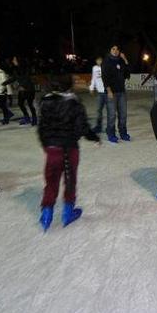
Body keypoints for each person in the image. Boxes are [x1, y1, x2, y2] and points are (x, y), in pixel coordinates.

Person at [38, 73, 100, 231]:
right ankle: (67, 212)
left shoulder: (45, 101)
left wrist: (48, 144)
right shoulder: (74, 103)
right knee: (70, 180)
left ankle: (46, 213)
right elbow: (83, 127)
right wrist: (94, 138)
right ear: (69, 85)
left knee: (51, 181)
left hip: (52, 149)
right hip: (68, 149)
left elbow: (41, 129)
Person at [101, 44, 131, 143]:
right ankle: (111, 133)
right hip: (111, 92)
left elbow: (127, 74)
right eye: (113, 48)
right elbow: (105, 77)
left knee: (123, 114)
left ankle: (123, 133)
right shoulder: (106, 61)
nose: (116, 50)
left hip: (121, 92)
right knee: (112, 115)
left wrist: (125, 59)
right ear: (110, 50)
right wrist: (109, 90)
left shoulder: (121, 61)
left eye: (117, 49)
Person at [3, 57, 37, 126]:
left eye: (14, 60)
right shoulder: (16, 69)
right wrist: (4, 83)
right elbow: (14, 78)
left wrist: (23, 86)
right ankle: (27, 117)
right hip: (22, 90)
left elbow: (27, 78)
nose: (12, 61)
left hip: (29, 89)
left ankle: (34, 119)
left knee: (30, 104)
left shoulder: (26, 68)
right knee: (20, 103)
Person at [89, 56, 109, 133]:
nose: (99, 61)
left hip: (107, 92)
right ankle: (98, 127)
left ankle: (110, 128)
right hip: (100, 93)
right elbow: (93, 78)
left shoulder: (106, 67)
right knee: (99, 110)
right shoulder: (94, 68)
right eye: (98, 60)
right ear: (96, 61)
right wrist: (91, 88)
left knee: (109, 111)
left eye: (100, 60)